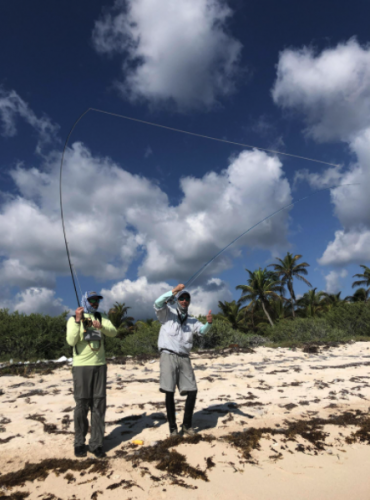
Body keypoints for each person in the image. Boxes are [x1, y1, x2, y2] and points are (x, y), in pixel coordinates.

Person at [154, 284, 213, 436]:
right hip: (168, 355)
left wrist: (209, 323)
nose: (184, 301)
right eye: (182, 298)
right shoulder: (167, 313)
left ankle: (187, 425)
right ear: (177, 300)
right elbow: (157, 303)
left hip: (184, 357)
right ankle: (173, 428)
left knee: (192, 390)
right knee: (169, 391)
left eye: (187, 298)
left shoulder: (192, 320)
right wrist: (174, 291)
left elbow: (201, 331)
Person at [66, 291, 117, 458]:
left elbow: (113, 332)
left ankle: (96, 444)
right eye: (92, 300)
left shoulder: (101, 317)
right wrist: (78, 319)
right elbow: (71, 340)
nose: (95, 303)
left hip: (100, 366)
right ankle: (79, 443)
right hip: (81, 366)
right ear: (85, 301)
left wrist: (100, 326)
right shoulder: (73, 319)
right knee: (81, 405)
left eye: (97, 301)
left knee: (99, 405)